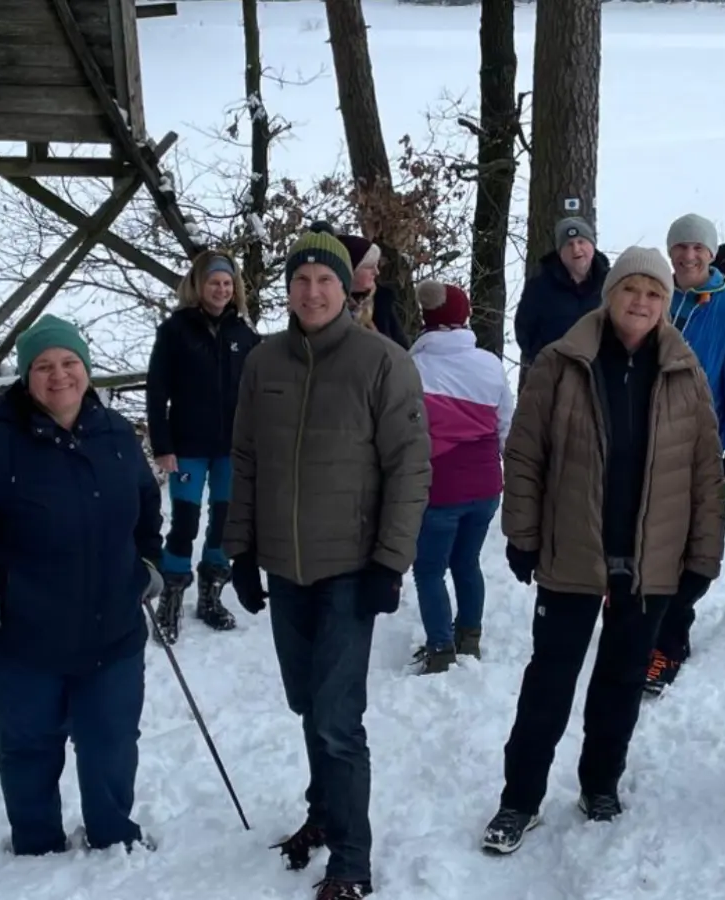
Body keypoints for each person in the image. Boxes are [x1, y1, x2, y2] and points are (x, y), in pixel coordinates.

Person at [482, 246, 725, 854]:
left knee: (620, 683)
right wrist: (522, 534)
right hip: (571, 551)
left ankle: (600, 784)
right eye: (630, 290)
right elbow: (526, 454)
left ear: (665, 304)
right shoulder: (562, 363)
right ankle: (519, 800)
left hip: (652, 560)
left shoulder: (683, 371)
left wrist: (701, 558)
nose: (640, 302)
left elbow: (703, 473)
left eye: (653, 293)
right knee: (549, 683)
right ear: (609, 294)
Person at [223, 224, 431, 900]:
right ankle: (323, 813)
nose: (312, 291)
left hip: (349, 566)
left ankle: (351, 860)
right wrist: (241, 550)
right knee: (305, 703)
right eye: (300, 280)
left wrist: (389, 562)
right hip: (286, 569)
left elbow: (408, 468)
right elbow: (246, 458)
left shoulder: (382, 362)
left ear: (347, 290)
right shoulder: (264, 362)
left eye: (325, 281)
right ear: (285, 290)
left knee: (337, 719)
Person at [0, 314, 165, 856]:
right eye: (43, 366)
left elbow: (145, 501)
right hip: (23, 637)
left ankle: (112, 838)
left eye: (70, 362)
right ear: (26, 377)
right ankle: (35, 847)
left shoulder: (117, 436)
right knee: (31, 748)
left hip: (113, 631)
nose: (59, 375)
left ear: (87, 369)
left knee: (112, 745)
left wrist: (148, 559)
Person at [648, 212, 725, 694]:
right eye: (681, 247)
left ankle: (669, 644)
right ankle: (646, 628)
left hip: (702, 448)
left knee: (691, 552)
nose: (689, 255)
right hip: (647, 442)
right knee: (649, 542)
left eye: (698, 248)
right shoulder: (654, 297)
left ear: (712, 253)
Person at [145, 248, 262, 643]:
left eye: (228, 283)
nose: (221, 289)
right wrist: (161, 443)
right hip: (187, 445)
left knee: (225, 522)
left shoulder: (244, 335)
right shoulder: (176, 330)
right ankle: (171, 597)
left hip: (232, 447)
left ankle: (211, 594)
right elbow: (157, 390)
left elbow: (259, 390)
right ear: (199, 284)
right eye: (214, 282)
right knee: (185, 522)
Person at [407, 280, 513, 674]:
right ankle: (469, 636)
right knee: (466, 563)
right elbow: (506, 426)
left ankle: (440, 649)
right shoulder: (489, 364)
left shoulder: (414, 367)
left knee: (430, 569)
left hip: (440, 488)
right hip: (486, 486)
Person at [515, 216, 611, 380]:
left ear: (592, 245)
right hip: (554, 375)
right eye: (569, 244)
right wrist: (543, 359)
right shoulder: (539, 287)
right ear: (560, 252)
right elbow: (524, 329)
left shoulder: (612, 283)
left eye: (581, 242)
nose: (576, 249)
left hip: (602, 375)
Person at [337, 231, 410, 348]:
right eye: (369, 267)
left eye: (377, 265)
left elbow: (401, 353)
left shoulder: (382, 301)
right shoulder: (327, 307)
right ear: (351, 269)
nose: (377, 272)